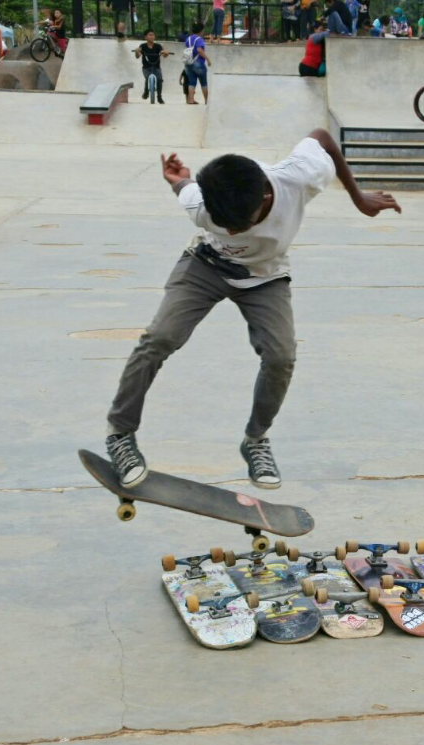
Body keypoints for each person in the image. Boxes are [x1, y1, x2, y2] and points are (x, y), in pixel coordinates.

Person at [102, 131, 402, 489]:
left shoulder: (299, 176)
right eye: (223, 222)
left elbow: (322, 137)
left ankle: (256, 440)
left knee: (281, 356)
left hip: (266, 275)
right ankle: (120, 433)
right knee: (159, 338)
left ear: (264, 195)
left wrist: (358, 197)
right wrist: (178, 177)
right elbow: (184, 186)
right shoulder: (203, 205)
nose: (231, 229)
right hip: (205, 266)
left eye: (240, 224)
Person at [135, 30, 170, 102]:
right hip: (146, 67)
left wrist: (166, 53)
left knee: (159, 79)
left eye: (153, 35)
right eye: (150, 35)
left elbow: (163, 54)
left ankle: (159, 97)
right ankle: (146, 92)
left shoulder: (158, 46)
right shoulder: (143, 46)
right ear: (146, 37)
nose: (152, 36)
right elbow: (137, 56)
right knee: (148, 77)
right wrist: (137, 52)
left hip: (156, 67)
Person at [183, 22, 210, 104]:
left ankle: (190, 100)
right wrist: (208, 59)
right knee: (204, 83)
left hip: (188, 63)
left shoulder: (188, 39)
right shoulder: (199, 39)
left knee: (192, 82)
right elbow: (199, 50)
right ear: (201, 31)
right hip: (198, 63)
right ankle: (206, 101)